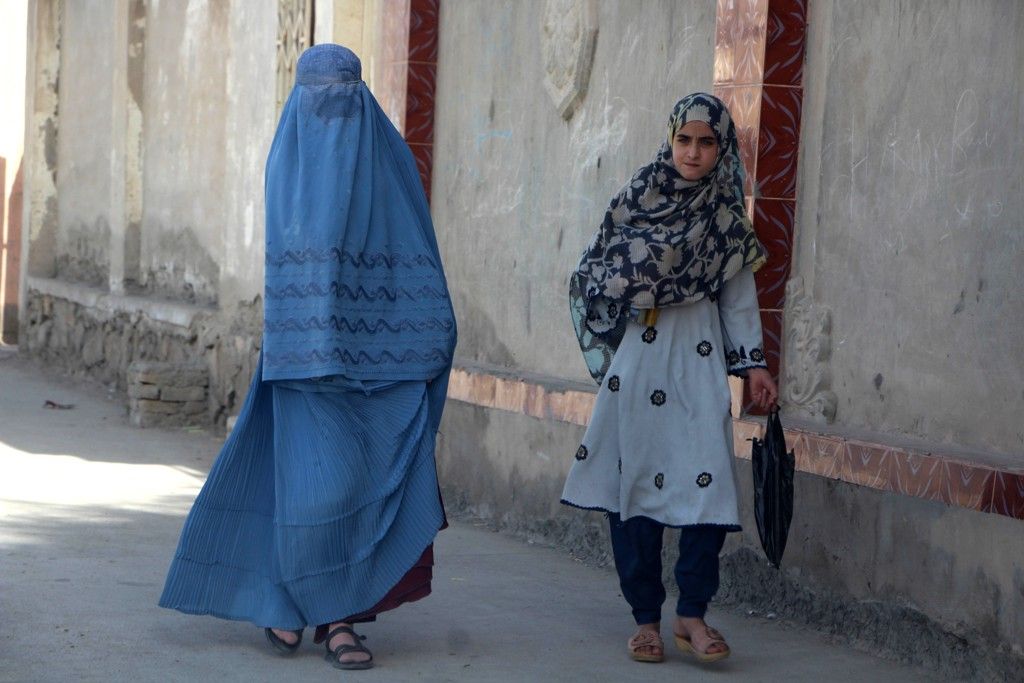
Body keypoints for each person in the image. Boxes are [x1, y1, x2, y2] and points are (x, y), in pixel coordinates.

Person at [159, 44, 456, 671]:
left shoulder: (389, 163)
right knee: (306, 496)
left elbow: (421, 256)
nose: (331, 113)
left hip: (381, 364)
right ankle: (292, 604)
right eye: (320, 97)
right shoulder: (287, 163)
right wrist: (306, 334)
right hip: (302, 362)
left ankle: (340, 619)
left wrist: (423, 335)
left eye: (343, 96)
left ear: (362, 99)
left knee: (359, 490)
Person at [562, 92, 777, 665]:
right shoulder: (638, 199)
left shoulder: (727, 220)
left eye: (706, 142)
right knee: (633, 487)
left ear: (720, 149)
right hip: (639, 365)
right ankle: (645, 619)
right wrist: (629, 288)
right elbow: (594, 270)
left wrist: (754, 365)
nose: (693, 152)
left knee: (709, 484)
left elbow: (738, 299)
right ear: (671, 140)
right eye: (685, 139)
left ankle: (692, 613)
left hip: (698, 364)